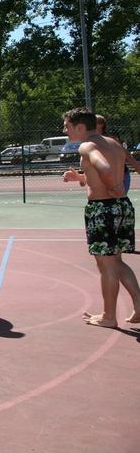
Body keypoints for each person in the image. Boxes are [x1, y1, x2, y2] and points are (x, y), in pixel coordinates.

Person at [61, 107, 140, 328]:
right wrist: (79, 177)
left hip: (102, 209)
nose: (64, 130)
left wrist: (112, 185)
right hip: (122, 207)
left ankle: (108, 317)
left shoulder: (87, 146)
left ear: (79, 127)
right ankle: (139, 306)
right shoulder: (114, 143)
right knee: (116, 261)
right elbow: (133, 167)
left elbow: (103, 167)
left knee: (107, 266)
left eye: (67, 126)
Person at [95, 114, 140, 193]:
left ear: (101, 125)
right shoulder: (90, 141)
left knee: (118, 200)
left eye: (93, 122)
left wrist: (137, 168)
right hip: (102, 177)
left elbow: (128, 157)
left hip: (120, 176)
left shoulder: (111, 140)